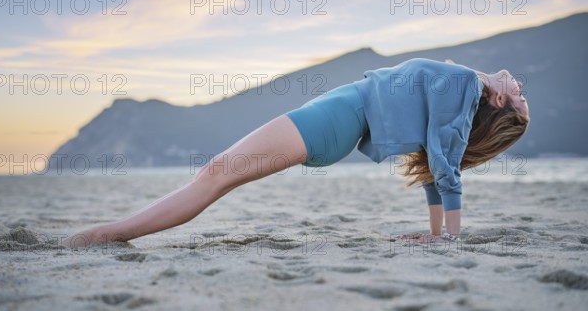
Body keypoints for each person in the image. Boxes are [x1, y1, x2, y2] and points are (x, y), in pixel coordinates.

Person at [62, 58, 530, 248]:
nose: (519, 84)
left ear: (497, 104)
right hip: (334, 117)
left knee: (215, 174)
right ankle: (113, 232)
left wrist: (448, 238)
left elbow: (445, 171)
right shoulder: (463, 91)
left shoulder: (469, 87)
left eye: (520, 96)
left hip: (335, 121)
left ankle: (110, 234)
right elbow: (437, 164)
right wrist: (437, 235)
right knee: (216, 175)